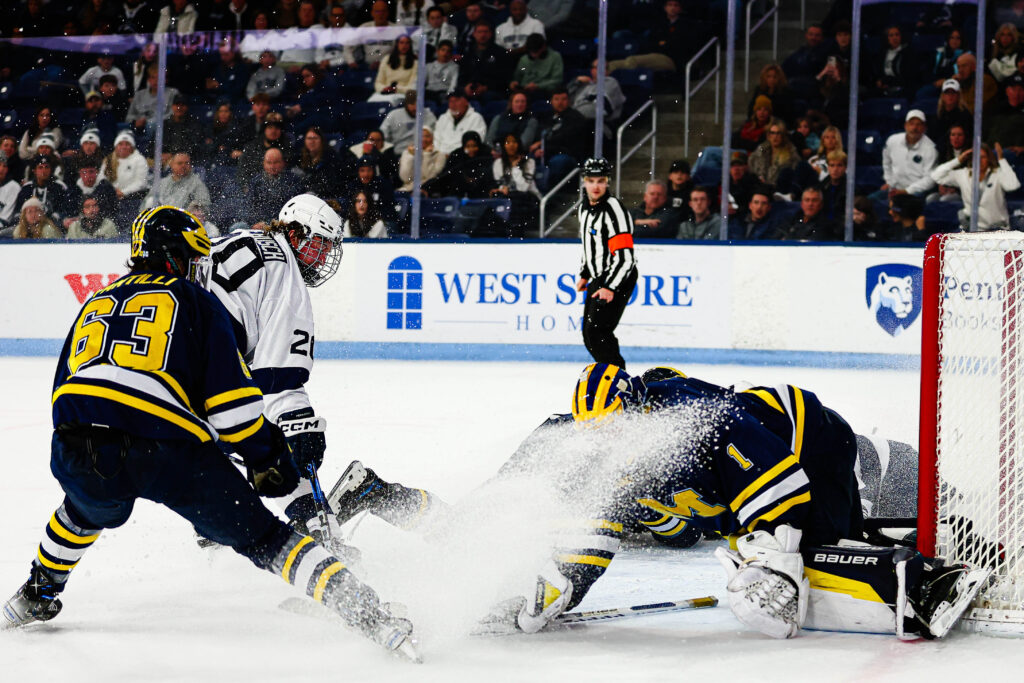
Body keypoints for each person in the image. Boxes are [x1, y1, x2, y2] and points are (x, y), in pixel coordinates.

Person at [0, 205, 416, 658]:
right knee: (265, 538)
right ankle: (369, 613)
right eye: (195, 257)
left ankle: (35, 593)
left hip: (77, 442)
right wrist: (268, 458)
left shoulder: (96, 300)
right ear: (179, 257)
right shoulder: (195, 301)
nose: (201, 266)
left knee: (82, 510)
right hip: (166, 451)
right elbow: (233, 409)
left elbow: (65, 388)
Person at [206, 194, 351, 542]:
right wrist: (299, 424)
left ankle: (213, 521)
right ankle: (316, 531)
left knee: (209, 440)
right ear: (297, 234)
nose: (325, 256)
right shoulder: (285, 273)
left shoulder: (246, 239)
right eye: (320, 245)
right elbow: (277, 379)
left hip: (165, 353)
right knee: (268, 443)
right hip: (201, 359)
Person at [574, 158, 638, 369]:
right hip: (599, 277)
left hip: (617, 278)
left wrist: (610, 287)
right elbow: (588, 244)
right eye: (591, 180)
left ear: (608, 182)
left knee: (597, 332)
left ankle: (620, 381)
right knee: (589, 334)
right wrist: (585, 272)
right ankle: (614, 377)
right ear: (584, 182)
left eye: (600, 180)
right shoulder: (584, 208)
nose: (595, 186)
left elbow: (625, 257)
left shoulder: (614, 210)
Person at [930, 142, 1021, 231]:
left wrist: (1001, 160)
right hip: (973, 230)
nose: (979, 161)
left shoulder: (997, 173)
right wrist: (959, 159)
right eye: (976, 157)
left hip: (998, 229)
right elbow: (936, 176)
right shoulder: (963, 174)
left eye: (983, 157)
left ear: (989, 158)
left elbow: (1013, 185)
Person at [878, 110, 937, 199]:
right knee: (870, 201)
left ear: (924, 127)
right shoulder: (892, 140)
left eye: (918, 124)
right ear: (905, 125)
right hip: (894, 188)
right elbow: (886, 163)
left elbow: (930, 179)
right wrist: (889, 182)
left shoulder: (931, 148)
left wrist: (907, 191)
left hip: (916, 191)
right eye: (911, 124)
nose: (914, 128)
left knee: (902, 207)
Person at [425, 130, 494, 199]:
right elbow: (445, 175)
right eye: (468, 146)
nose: (471, 149)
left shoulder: (486, 156)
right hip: (458, 193)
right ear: (463, 146)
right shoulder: (456, 156)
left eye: (474, 146)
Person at [568, 60, 626, 137]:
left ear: (608, 71)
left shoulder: (611, 83)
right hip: (577, 122)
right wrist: (575, 82)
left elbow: (602, 107)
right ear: (592, 70)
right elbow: (563, 100)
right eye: (598, 67)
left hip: (600, 126)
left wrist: (571, 115)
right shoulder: (584, 85)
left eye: (605, 68)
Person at [247, 148, 304, 223]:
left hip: (285, 222)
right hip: (260, 223)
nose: (272, 166)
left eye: (276, 162)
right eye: (269, 162)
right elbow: (250, 206)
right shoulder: (255, 181)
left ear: (283, 163)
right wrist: (256, 222)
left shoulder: (294, 180)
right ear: (263, 164)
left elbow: (295, 207)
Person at [143, 152, 211, 211]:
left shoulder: (197, 184)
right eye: (180, 163)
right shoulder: (162, 183)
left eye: (187, 163)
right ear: (171, 165)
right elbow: (145, 204)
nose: (183, 166)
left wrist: (193, 207)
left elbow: (204, 205)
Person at [748, 119, 800, 191]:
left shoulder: (791, 153)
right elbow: (752, 163)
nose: (775, 136)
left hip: (779, 191)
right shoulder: (762, 149)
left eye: (778, 133)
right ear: (768, 135)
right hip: (759, 189)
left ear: (783, 135)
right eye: (772, 133)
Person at [296, 125, 345, 198]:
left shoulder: (331, 157)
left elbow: (330, 182)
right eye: (309, 138)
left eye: (315, 138)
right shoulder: (298, 157)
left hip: (326, 196)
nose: (312, 141)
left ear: (321, 140)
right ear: (305, 141)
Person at [774, 187, 839, 241]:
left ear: (821, 204)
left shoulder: (825, 224)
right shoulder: (792, 219)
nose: (810, 204)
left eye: (814, 200)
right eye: (807, 200)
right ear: (802, 204)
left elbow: (810, 242)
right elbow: (776, 237)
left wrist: (787, 238)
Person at [509, 33, 564, 99]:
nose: (534, 55)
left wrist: (538, 86)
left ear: (543, 47)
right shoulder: (524, 59)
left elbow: (557, 80)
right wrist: (514, 83)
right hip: (525, 92)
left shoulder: (555, 57)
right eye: (531, 52)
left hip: (546, 92)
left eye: (536, 51)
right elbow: (517, 77)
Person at [371, 36, 418, 104]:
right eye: (401, 43)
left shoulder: (415, 62)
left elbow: (412, 87)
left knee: (390, 103)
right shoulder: (386, 59)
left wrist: (396, 89)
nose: (404, 46)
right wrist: (384, 88)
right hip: (384, 92)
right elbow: (378, 82)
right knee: (370, 103)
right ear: (397, 44)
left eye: (407, 43)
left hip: (402, 94)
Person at [398, 127, 446, 193]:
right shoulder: (407, 153)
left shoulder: (439, 155)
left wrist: (427, 155)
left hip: (427, 190)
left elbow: (429, 177)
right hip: (407, 189)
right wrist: (411, 156)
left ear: (432, 138)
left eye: (427, 136)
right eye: (420, 136)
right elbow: (405, 178)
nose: (423, 139)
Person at [929, 79, 973, 144]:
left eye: (953, 92)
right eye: (947, 92)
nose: (950, 95)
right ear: (943, 96)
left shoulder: (965, 116)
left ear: (958, 95)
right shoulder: (937, 115)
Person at [818, 151, 847, 225]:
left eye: (839, 165)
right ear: (828, 167)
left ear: (845, 167)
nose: (835, 169)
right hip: (822, 226)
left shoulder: (852, 189)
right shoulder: (821, 186)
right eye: (832, 165)